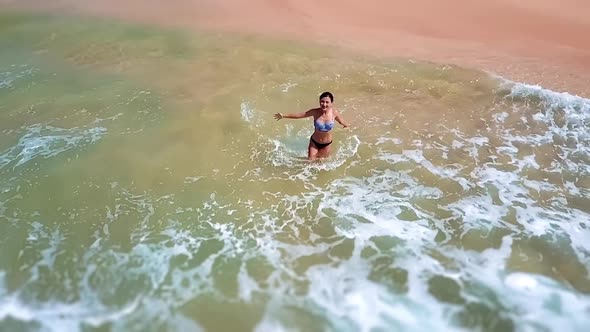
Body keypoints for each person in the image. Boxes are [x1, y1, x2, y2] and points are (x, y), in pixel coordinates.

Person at [274, 91, 349, 160]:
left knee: (321, 164)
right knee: (310, 163)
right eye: (322, 102)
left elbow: (343, 123)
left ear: (331, 103)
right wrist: (284, 116)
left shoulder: (334, 113)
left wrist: (345, 130)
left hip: (327, 144)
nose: (324, 104)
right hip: (314, 142)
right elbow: (299, 115)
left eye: (327, 102)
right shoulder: (315, 112)